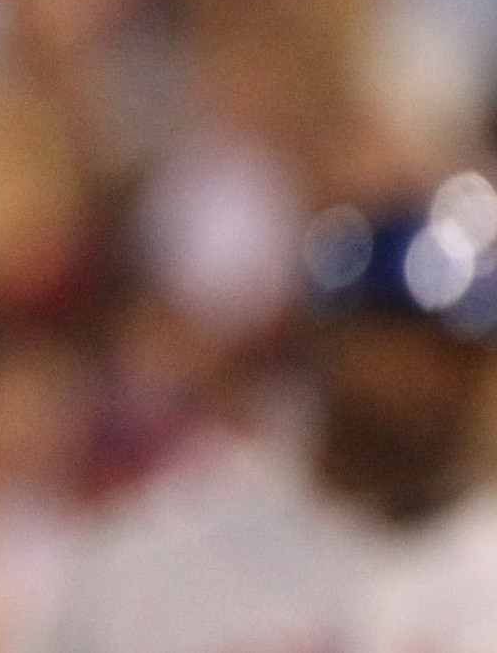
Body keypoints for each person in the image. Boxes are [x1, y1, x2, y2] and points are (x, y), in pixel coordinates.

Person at [53, 179, 497, 653]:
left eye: (460, 359)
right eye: (396, 345)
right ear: (325, 344)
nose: (426, 382)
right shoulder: (157, 558)